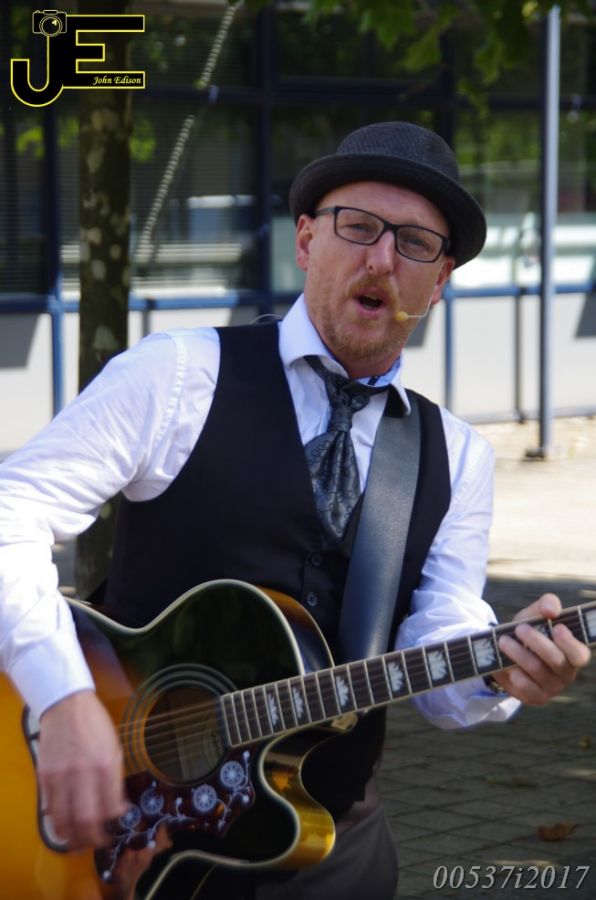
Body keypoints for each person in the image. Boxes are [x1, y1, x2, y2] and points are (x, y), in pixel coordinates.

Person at [0, 121, 590, 900]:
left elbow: (438, 645)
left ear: (440, 280)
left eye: (415, 243)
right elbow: (11, 512)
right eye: (359, 227)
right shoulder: (177, 375)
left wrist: (500, 674)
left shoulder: (458, 454)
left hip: (329, 854)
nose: (382, 259)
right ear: (307, 240)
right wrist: (63, 695)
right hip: (126, 840)